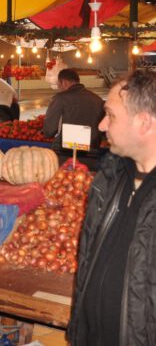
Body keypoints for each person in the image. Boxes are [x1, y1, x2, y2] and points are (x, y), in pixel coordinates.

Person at [67, 70, 156, 345]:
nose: (102, 125)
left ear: (143, 123)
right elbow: (88, 262)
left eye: (111, 115)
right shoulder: (109, 178)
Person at [42, 68, 104, 162]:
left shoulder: (60, 98)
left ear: (64, 82)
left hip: (65, 153)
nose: (59, 88)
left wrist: (45, 133)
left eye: (59, 85)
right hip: (93, 152)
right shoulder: (97, 99)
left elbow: (49, 130)